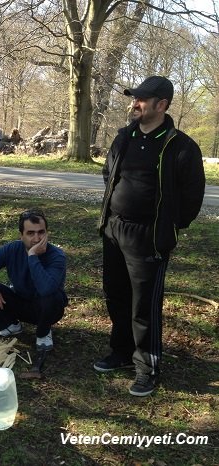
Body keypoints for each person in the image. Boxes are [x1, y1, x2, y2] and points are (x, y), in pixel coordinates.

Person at [95, 76, 205, 397]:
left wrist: (167, 227)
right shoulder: (124, 137)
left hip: (149, 237)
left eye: (142, 99)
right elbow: (108, 174)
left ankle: (147, 366)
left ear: (162, 105)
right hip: (115, 229)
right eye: (134, 98)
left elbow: (191, 198)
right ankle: (121, 351)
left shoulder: (181, 146)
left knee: (144, 305)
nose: (135, 103)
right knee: (115, 294)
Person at [0, 209, 67, 351]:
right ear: (21, 235)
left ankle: (43, 333)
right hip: (20, 301)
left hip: (47, 308)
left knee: (52, 296)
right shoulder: (11, 249)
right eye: (30, 233)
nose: (37, 239)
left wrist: (32, 256)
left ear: (47, 233)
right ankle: (10, 325)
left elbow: (46, 289)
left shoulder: (57, 256)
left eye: (41, 232)